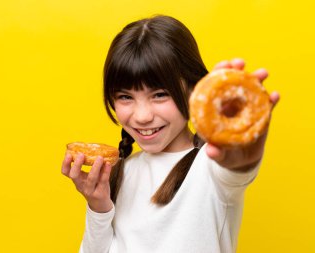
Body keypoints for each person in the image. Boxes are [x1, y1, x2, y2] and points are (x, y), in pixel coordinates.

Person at [61, 15, 279, 253]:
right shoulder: (122, 171)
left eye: (160, 94)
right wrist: (98, 207)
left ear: (195, 89)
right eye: (125, 97)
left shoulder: (211, 167)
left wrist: (242, 145)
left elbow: (236, 164)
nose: (142, 116)